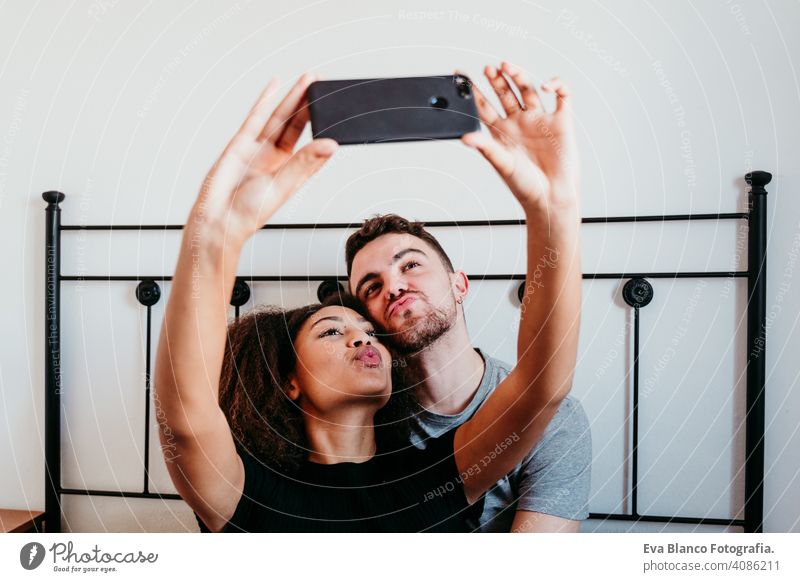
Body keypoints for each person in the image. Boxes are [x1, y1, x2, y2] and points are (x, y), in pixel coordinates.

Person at [153, 68, 583, 532]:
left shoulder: (434, 477)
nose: (363, 338)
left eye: (367, 331)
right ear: (289, 381)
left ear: (460, 284)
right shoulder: (247, 490)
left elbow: (542, 388)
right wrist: (217, 236)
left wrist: (553, 211)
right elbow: (185, 420)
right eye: (333, 330)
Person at [346, 62, 592, 532]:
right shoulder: (359, 416)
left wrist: (553, 209)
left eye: (410, 264)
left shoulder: (554, 422)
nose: (394, 286)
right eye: (371, 287)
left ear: (460, 285)